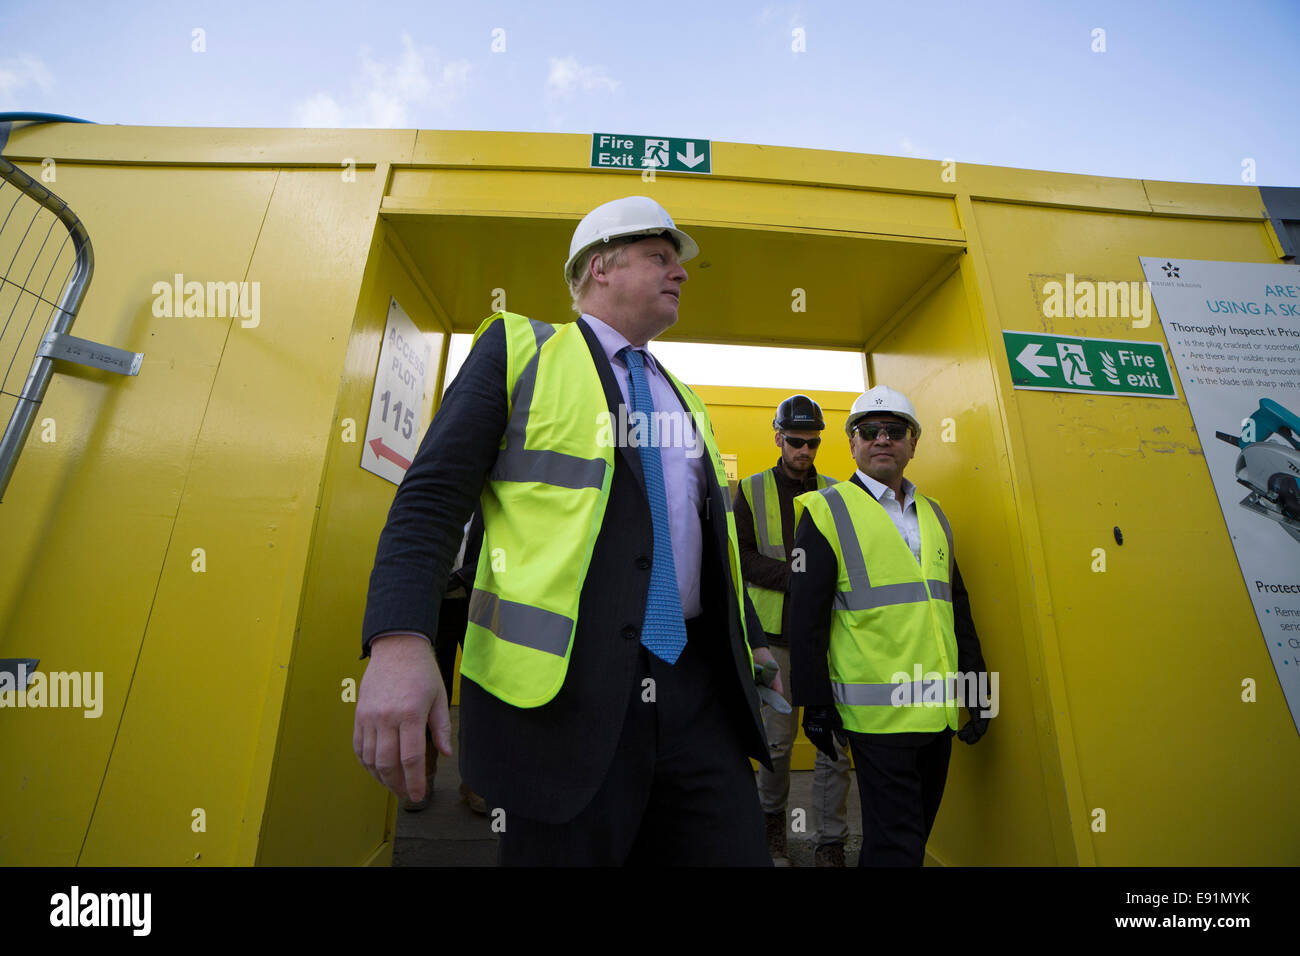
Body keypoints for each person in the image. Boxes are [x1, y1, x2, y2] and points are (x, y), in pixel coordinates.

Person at [353, 195, 778, 865]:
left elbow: (706, 544)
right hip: (563, 705)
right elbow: (431, 499)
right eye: (661, 258)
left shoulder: (684, 398)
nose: (683, 273)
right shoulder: (519, 350)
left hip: (698, 696)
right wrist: (400, 642)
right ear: (599, 267)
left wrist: (751, 644)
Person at [789, 385, 991, 867]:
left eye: (895, 430)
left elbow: (955, 606)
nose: (883, 439)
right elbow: (806, 617)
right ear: (853, 443)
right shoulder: (826, 511)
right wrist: (814, 703)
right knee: (897, 844)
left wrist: (980, 692)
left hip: (936, 715)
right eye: (869, 430)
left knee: (910, 837)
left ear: (913, 442)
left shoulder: (934, 515)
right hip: (877, 719)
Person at [735, 394, 853, 867]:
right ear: (778, 438)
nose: (805, 451)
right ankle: (771, 829)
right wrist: (798, 580)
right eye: (797, 441)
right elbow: (739, 556)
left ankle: (831, 842)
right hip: (775, 640)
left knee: (834, 747)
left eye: (813, 442)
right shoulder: (749, 489)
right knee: (778, 744)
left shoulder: (838, 492)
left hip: (829, 639)